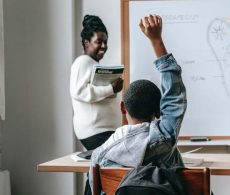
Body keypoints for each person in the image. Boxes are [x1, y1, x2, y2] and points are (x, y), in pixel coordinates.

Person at [88, 14, 187, 190]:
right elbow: (174, 97)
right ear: (158, 111)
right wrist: (156, 40)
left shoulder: (99, 156)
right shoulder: (164, 139)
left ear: (122, 108)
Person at [70, 15, 123, 150]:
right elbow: (79, 92)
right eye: (98, 41)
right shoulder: (83, 61)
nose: (104, 46)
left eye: (105, 42)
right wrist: (111, 89)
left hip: (103, 131)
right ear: (87, 42)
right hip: (96, 132)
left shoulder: (92, 64)